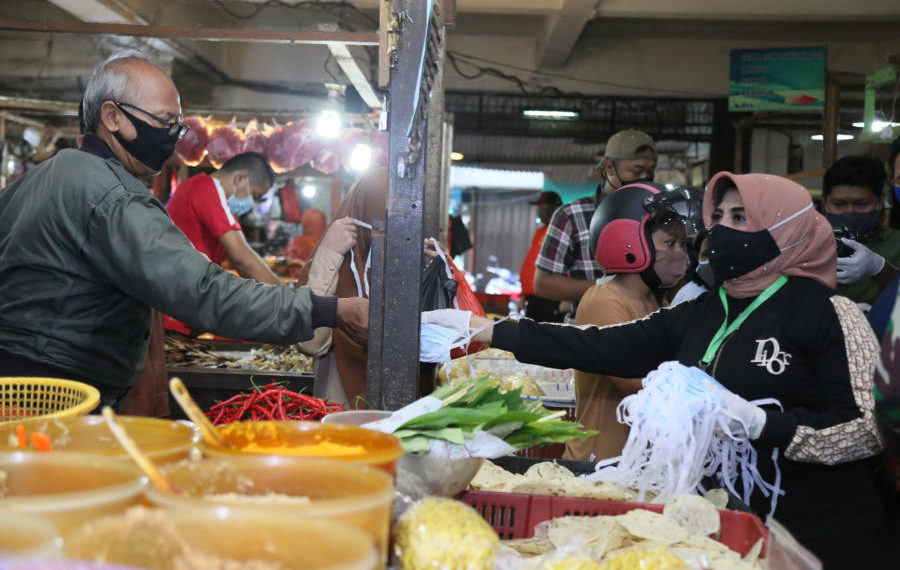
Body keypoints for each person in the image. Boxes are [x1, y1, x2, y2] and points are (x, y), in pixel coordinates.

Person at [429, 172, 888, 568]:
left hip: (816, 532)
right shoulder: (704, 310)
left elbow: (866, 429)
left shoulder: (832, 313)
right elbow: (598, 345)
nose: (721, 230)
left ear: (784, 229)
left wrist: (761, 423)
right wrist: (485, 331)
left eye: (740, 218)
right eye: (719, 218)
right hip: (726, 526)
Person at [0, 52, 368, 408]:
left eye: (178, 124)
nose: (174, 135)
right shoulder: (113, 197)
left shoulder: (41, 177)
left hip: (21, 381)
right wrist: (327, 310)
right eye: (165, 121)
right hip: (59, 391)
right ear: (111, 116)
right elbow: (203, 292)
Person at [565, 182, 689, 462]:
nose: (680, 253)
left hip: (637, 463)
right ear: (629, 242)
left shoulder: (658, 302)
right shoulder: (605, 300)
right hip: (600, 466)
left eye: (682, 244)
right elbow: (637, 386)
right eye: (670, 243)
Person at [533, 129, 656, 318]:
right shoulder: (572, 215)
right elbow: (543, 284)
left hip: (645, 326)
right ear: (609, 168)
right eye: (637, 170)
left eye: (650, 171)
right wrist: (605, 287)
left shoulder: (655, 215)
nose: (644, 178)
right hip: (587, 329)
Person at [165, 151, 281, 335]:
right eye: (255, 195)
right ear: (241, 178)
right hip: (177, 310)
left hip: (180, 305)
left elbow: (239, 263)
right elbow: (242, 257)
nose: (253, 204)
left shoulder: (197, 187)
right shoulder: (208, 189)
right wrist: (286, 299)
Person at [822, 155, 900, 307]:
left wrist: (879, 268)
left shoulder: (897, 244)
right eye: (839, 204)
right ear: (825, 201)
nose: (849, 212)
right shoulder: (807, 244)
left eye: (861, 204)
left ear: (880, 201)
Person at [519, 191, 564, 322]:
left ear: (555, 209)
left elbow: (569, 264)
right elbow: (530, 264)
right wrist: (523, 295)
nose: (540, 211)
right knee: (532, 338)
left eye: (543, 207)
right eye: (539, 207)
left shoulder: (563, 230)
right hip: (533, 298)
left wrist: (568, 298)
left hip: (552, 298)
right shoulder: (540, 232)